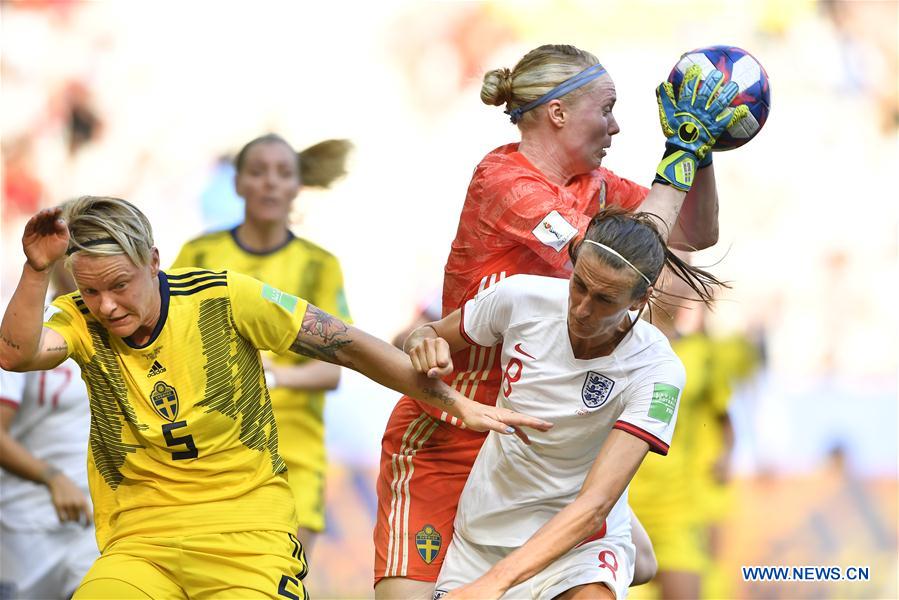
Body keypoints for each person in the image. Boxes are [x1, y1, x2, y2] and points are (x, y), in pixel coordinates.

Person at [0, 196, 551, 599]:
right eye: (90, 290)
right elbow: (17, 354)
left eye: (119, 285)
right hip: (139, 542)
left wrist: (452, 402)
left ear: (153, 260)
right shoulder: (76, 318)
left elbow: (349, 346)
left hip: (248, 537)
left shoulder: (222, 296)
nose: (106, 305)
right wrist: (34, 269)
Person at [373, 43, 745, 599]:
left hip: (536, 433)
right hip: (452, 424)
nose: (616, 127)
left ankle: (585, 551)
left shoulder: (594, 187)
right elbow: (612, 256)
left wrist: (702, 154)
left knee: (621, 551)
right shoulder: (504, 181)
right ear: (559, 112)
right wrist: (678, 156)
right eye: (607, 108)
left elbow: (693, 233)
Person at [403, 208, 724, 599]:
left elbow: (594, 505)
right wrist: (423, 343)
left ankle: (626, 551)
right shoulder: (521, 297)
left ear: (640, 299)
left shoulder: (658, 370)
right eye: (579, 285)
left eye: (605, 299)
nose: (582, 309)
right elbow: (427, 333)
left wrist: (494, 586)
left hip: (579, 542)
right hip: (487, 534)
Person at [172, 134, 352, 555]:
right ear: (237, 184)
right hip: (211, 451)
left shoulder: (320, 265)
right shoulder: (199, 254)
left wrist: (269, 378)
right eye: (257, 172)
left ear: (296, 186)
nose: (270, 183)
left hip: (293, 456)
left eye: (283, 173)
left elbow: (332, 370)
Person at [0, 263, 98, 599]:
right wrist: (52, 477)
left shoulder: (120, 327)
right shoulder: (21, 329)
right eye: (76, 253)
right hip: (25, 525)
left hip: (95, 526)